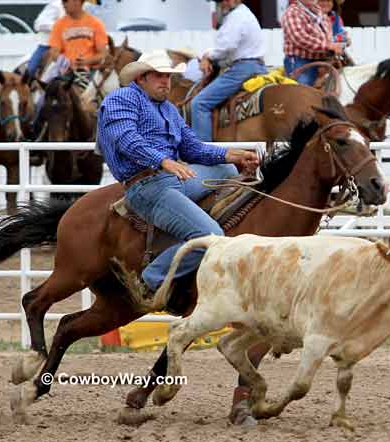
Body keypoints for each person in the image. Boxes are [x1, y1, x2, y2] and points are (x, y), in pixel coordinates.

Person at [97, 50, 260, 304]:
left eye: (169, 76)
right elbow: (125, 139)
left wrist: (230, 155)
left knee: (227, 170)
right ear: (141, 78)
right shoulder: (121, 99)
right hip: (146, 185)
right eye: (159, 76)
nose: (166, 81)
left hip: (173, 180)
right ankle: (150, 279)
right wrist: (162, 160)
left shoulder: (169, 109)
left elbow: (193, 148)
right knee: (209, 235)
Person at [191, 0, 266, 142]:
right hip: (255, 65)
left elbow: (226, 47)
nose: (223, 3)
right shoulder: (244, 14)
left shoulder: (236, 17)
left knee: (199, 103)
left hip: (242, 69)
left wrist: (207, 56)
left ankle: (201, 152)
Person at [26, 0, 99, 78]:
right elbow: (39, 23)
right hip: (49, 45)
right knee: (31, 69)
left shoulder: (85, 9)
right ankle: (26, 86)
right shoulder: (56, 5)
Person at [281, 0, 345, 87]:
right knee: (303, 91)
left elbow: (327, 32)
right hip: (300, 61)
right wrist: (329, 45)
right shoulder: (292, 12)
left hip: (320, 60)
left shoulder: (317, 10)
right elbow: (300, 38)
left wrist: (334, 45)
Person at [47, 0, 108, 87]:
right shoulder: (59, 25)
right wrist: (67, 63)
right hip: (66, 72)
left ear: (77, 2)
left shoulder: (96, 24)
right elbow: (54, 52)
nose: (63, 3)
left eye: (65, 1)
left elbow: (103, 53)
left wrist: (86, 62)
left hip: (91, 73)